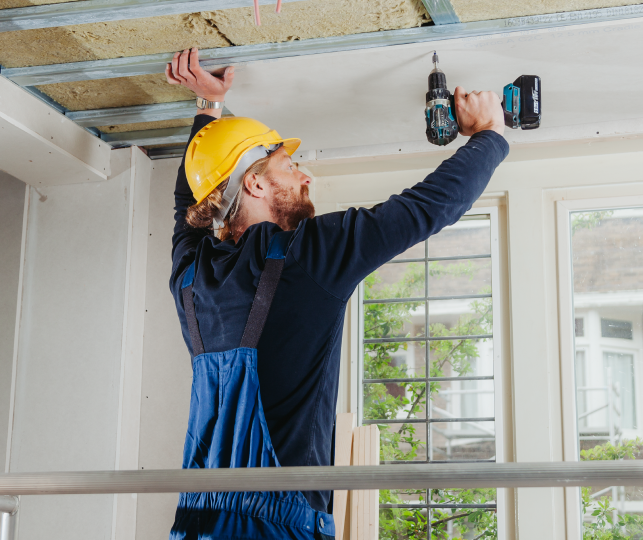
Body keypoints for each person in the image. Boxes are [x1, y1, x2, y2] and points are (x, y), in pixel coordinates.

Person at [166, 47, 508, 540]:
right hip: (279, 528)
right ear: (256, 184)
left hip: (198, 521)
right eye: (292, 166)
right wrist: (488, 136)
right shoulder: (308, 255)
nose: (306, 176)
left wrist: (208, 105)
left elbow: (189, 201)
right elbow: (426, 207)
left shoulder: (190, 275)